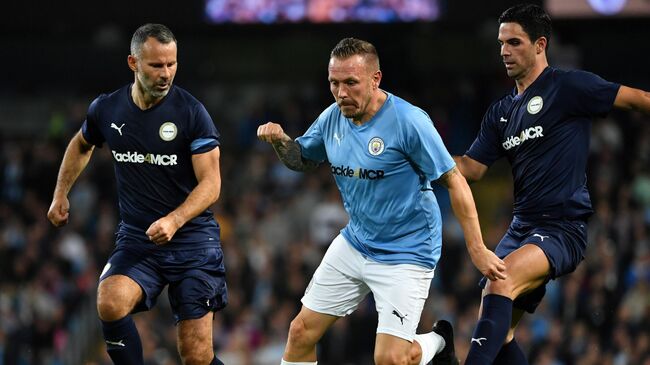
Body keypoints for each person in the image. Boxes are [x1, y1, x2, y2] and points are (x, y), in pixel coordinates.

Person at [257, 37, 506, 365]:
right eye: (334, 83)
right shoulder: (333, 117)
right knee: (300, 332)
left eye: (350, 83)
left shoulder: (409, 122)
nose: (341, 93)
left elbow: (455, 181)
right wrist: (279, 141)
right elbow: (301, 158)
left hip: (408, 251)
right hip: (356, 241)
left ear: (375, 80)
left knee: (389, 359)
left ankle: (437, 342)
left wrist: (477, 248)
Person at [454, 4, 650, 364]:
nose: (504, 51)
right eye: (501, 43)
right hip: (521, 228)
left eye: (514, 42)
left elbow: (640, 100)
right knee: (502, 329)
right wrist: (419, 155)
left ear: (540, 44)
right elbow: (471, 168)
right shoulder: (500, 113)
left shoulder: (569, 87)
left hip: (561, 228)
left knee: (500, 281)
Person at [47, 24, 227, 365]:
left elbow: (212, 184)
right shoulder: (107, 109)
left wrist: (174, 220)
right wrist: (61, 194)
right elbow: (82, 144)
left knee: (196, 356)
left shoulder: (192, 113)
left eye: (172, 64)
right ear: (133, 63)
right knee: (109, 300)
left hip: (193, 241)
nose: (166, 74)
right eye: (156, 65)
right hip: (138, 239)